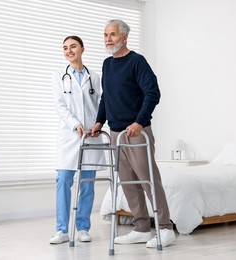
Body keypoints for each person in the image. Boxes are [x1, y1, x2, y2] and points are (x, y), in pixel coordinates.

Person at [90, 19, 176, 248]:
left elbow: (152, 92)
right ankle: (141, 228)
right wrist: (99, 121)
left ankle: (165, 228)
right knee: (127, 182)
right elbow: (106, 97)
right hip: (116, 132)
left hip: (137, 132)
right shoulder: (107, 64)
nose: (108, 39)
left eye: (113, 34)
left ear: (125, 37)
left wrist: (139, 121)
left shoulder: (137, 61)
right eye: (105, 34)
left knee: (148, 180)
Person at [50, 36, 105, 244]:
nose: (69, 51)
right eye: (65, 48)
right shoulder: (58, 77)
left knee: (87, 184)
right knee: (63, 180)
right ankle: (62, 230)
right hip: (69, 135)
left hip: (91, 135)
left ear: (82, 49)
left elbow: (102, 103)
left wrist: (98, 124)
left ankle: (83, 227)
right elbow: (59, 105)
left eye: (73, 46)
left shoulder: (95, 77)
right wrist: (75, 124)